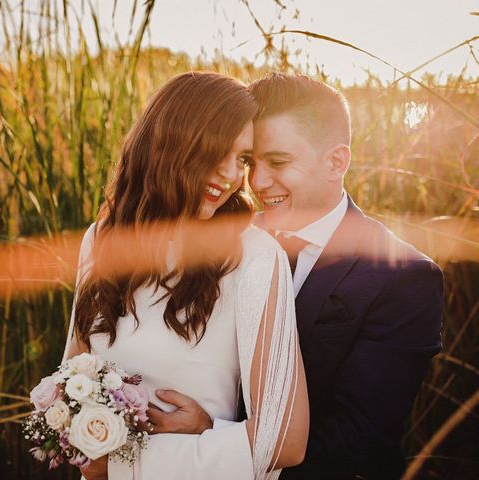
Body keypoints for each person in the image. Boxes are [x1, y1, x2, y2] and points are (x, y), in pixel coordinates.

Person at [161, 73, 444, 480]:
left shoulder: (404, 278)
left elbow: (356, 439)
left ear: (336, 161)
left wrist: (213, 436)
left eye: (277, 162)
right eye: (249, 162)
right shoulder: (225, 238)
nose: (256, 183)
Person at [63, 71, 309, 479]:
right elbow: (71, 379)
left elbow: (285, 438)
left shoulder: (254, 257)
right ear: (172, 142)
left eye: (243, 159)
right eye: (218, 151)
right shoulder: (100, 239)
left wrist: (129, 464)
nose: (233, 175)